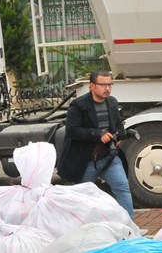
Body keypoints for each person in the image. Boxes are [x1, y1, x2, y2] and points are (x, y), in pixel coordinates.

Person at [56, 69, 135, 218]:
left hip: (109, 157)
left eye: (110, 85)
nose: (107, 89)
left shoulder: (112, 102)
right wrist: (98, 134)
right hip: (86, 160)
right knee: (83, 198)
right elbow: (72, 131)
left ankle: (130, 227)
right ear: (91, 86)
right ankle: (82, 228)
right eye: (103, 85)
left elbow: (117, 124)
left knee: (123, 189)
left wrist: (120, 136)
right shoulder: (79, 105)